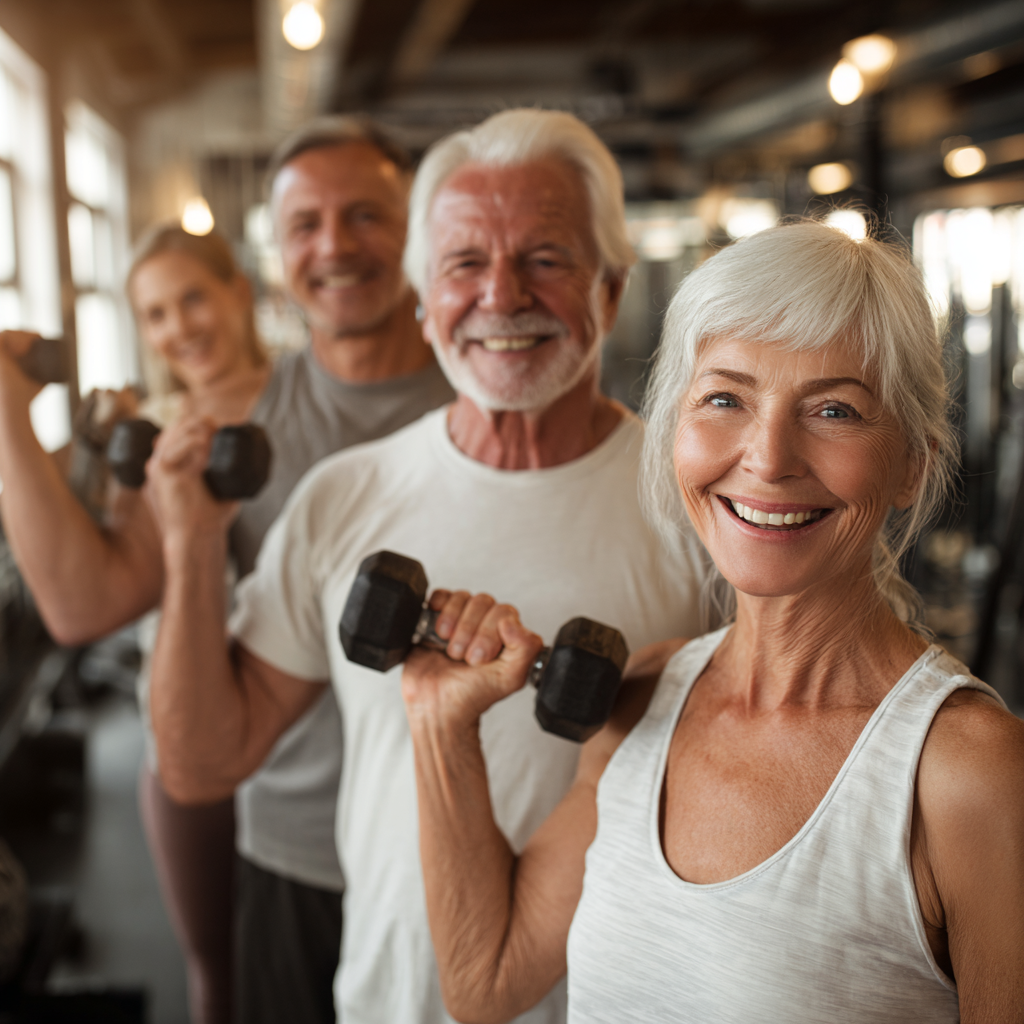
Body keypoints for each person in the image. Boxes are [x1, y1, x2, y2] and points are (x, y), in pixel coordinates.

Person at [144, 108, 708, 1023]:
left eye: (545, 259)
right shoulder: (343, 495)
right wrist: (189, 540)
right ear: (422, 298)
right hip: (387, 997)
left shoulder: (700, 510)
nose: (501, 296)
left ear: (610, 289)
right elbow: (201, 763)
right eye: (463, 263)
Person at [398, 220, 1024, 1024]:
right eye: (725, 398)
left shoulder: (970, 774)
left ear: (914, 463)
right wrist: (439, 725)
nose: (768, 458)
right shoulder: (643, 698)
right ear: (674, 431)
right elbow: (486, 981)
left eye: (834, 410)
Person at [0, 116, 455, 1024]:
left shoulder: (493, 403)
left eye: (367, 214)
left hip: (467, 829)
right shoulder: (227, 425)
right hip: (294, 837)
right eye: (306, 224)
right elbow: (84, 603)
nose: (336, 245)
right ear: (279, 254)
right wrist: (8, 413)